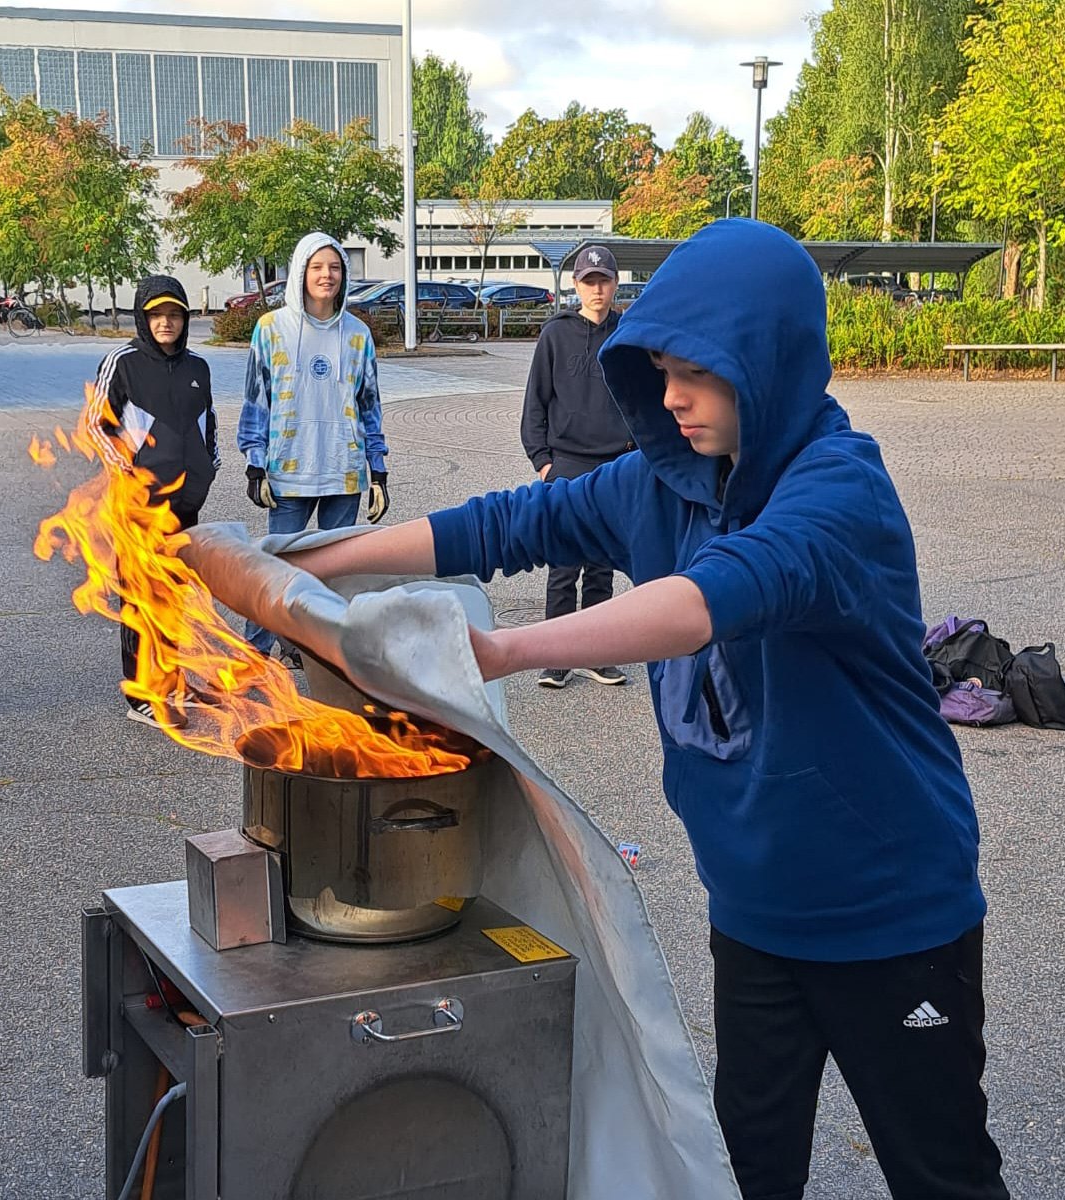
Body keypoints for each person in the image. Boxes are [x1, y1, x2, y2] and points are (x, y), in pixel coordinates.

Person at [274, 220, 1010, 1200]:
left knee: (941, 1173)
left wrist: (496, 651)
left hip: (891, 913)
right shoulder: (656, 482)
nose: (670, 397)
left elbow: (708, 601)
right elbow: (503, 524)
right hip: (754, 911)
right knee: (744, 1168)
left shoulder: (841, 491)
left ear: (770, 363)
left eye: (696, 373)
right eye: (659, 369)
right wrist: (300, 565)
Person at [237, 231, 389, 668]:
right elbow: (256, 400)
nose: (327, 275)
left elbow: (370, 405)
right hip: (289, 468)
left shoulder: (357, 335)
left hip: (343, 471)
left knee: (332, 574)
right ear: (301, 272)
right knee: (276, 569)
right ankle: (256, 655)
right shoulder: (271, 329)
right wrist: (255, 464)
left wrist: (377, 471)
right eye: (318, 267)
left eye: (335, 267)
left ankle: (318, 652)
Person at [86, 274, 220, 727]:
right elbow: (95, 426)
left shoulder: (198, 367)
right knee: (141, 598)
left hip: (185, 505)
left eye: (175, 314)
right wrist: (128, 473)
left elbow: (209, 425)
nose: (167, 322)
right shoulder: (122, 363)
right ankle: (142, 695)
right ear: (144, 318)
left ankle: (173, 679)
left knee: (174, 597)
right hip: (139, 505)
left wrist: (207, 468)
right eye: (158, 315)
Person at [521, 244, 635, 689]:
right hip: (565, 462)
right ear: (575, 286)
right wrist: (543, 461)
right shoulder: (555, 335)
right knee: (564, 563)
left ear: (614, 284)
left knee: (602, 563)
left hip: (614, 464)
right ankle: (557, 657)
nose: (597, 289)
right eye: (589, 282)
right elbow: (536, 402)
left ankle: (597, 653)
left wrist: (635, 457)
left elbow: (641, 399)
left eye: (604, 281)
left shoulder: (627, 335)